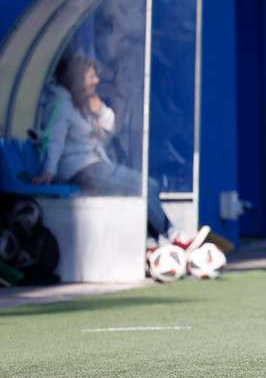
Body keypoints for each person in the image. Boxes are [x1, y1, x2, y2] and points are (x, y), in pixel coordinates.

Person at [31, 55, 207, 249]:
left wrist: (101, 111)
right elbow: (54, 139)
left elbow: (108, 132)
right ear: (77, 78)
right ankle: (171, 237)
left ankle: (158, 240)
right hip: (81, 170)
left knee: (148, 187)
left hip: (94, 165)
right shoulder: (61, 104)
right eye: (91, 76)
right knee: (146, 187)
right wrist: (49, 171)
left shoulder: (80, 103)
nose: (97, 81)